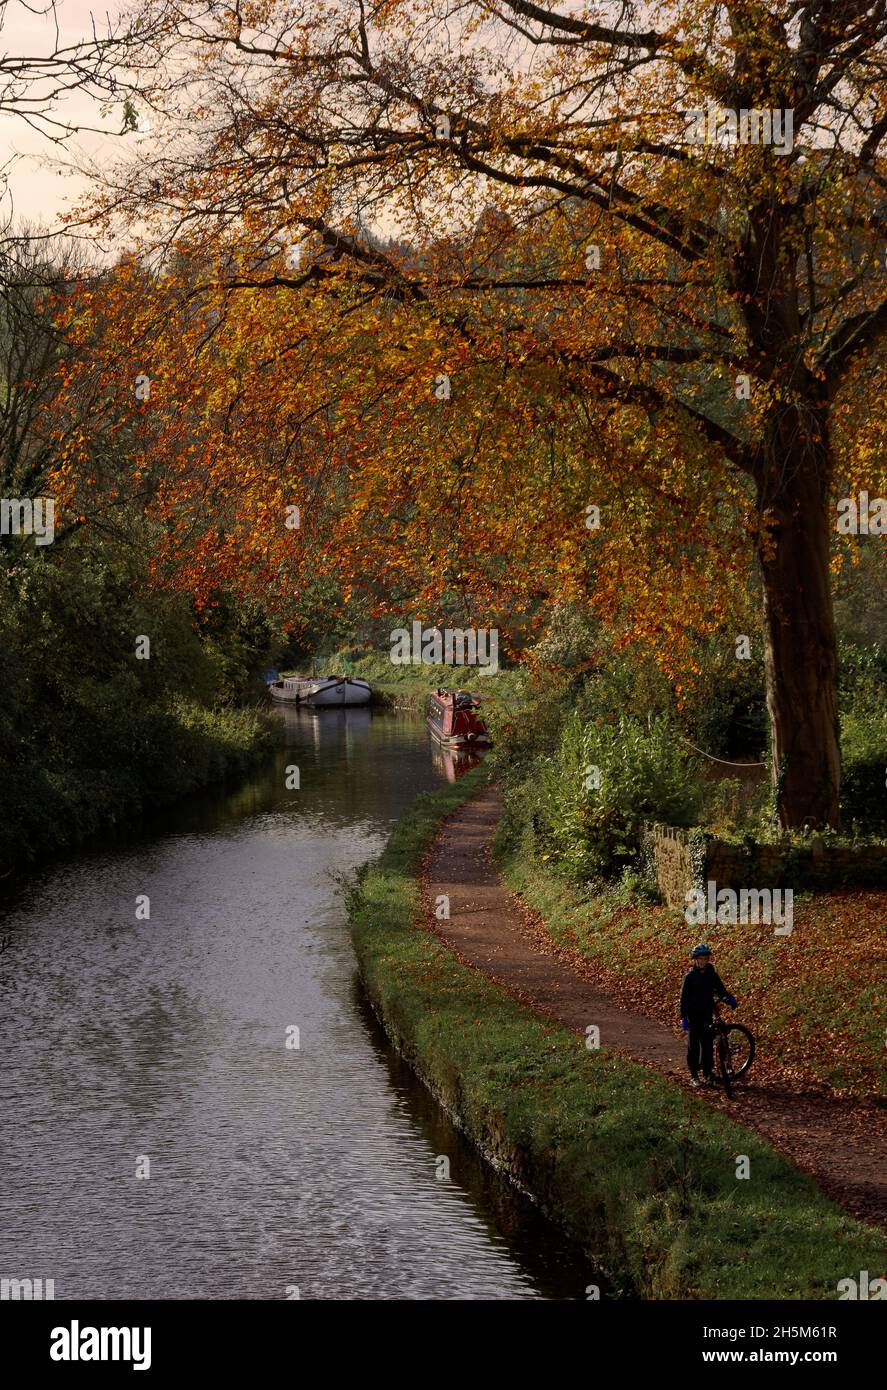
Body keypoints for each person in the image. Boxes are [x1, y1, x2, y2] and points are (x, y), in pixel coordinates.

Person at [679, 944, 737, 1087]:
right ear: (695, 960)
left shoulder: (712, 975)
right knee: (694, 1047)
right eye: (700, 959)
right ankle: (694, 1076)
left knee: (707, 1045)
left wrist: (728, 998)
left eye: (705, 959)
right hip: (693, 1016)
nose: (703, 961)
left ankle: (707, 1074)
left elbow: (720, 990)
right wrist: (683, 1017)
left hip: (706, 1014)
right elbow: (684, 998)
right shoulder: (690, 977)